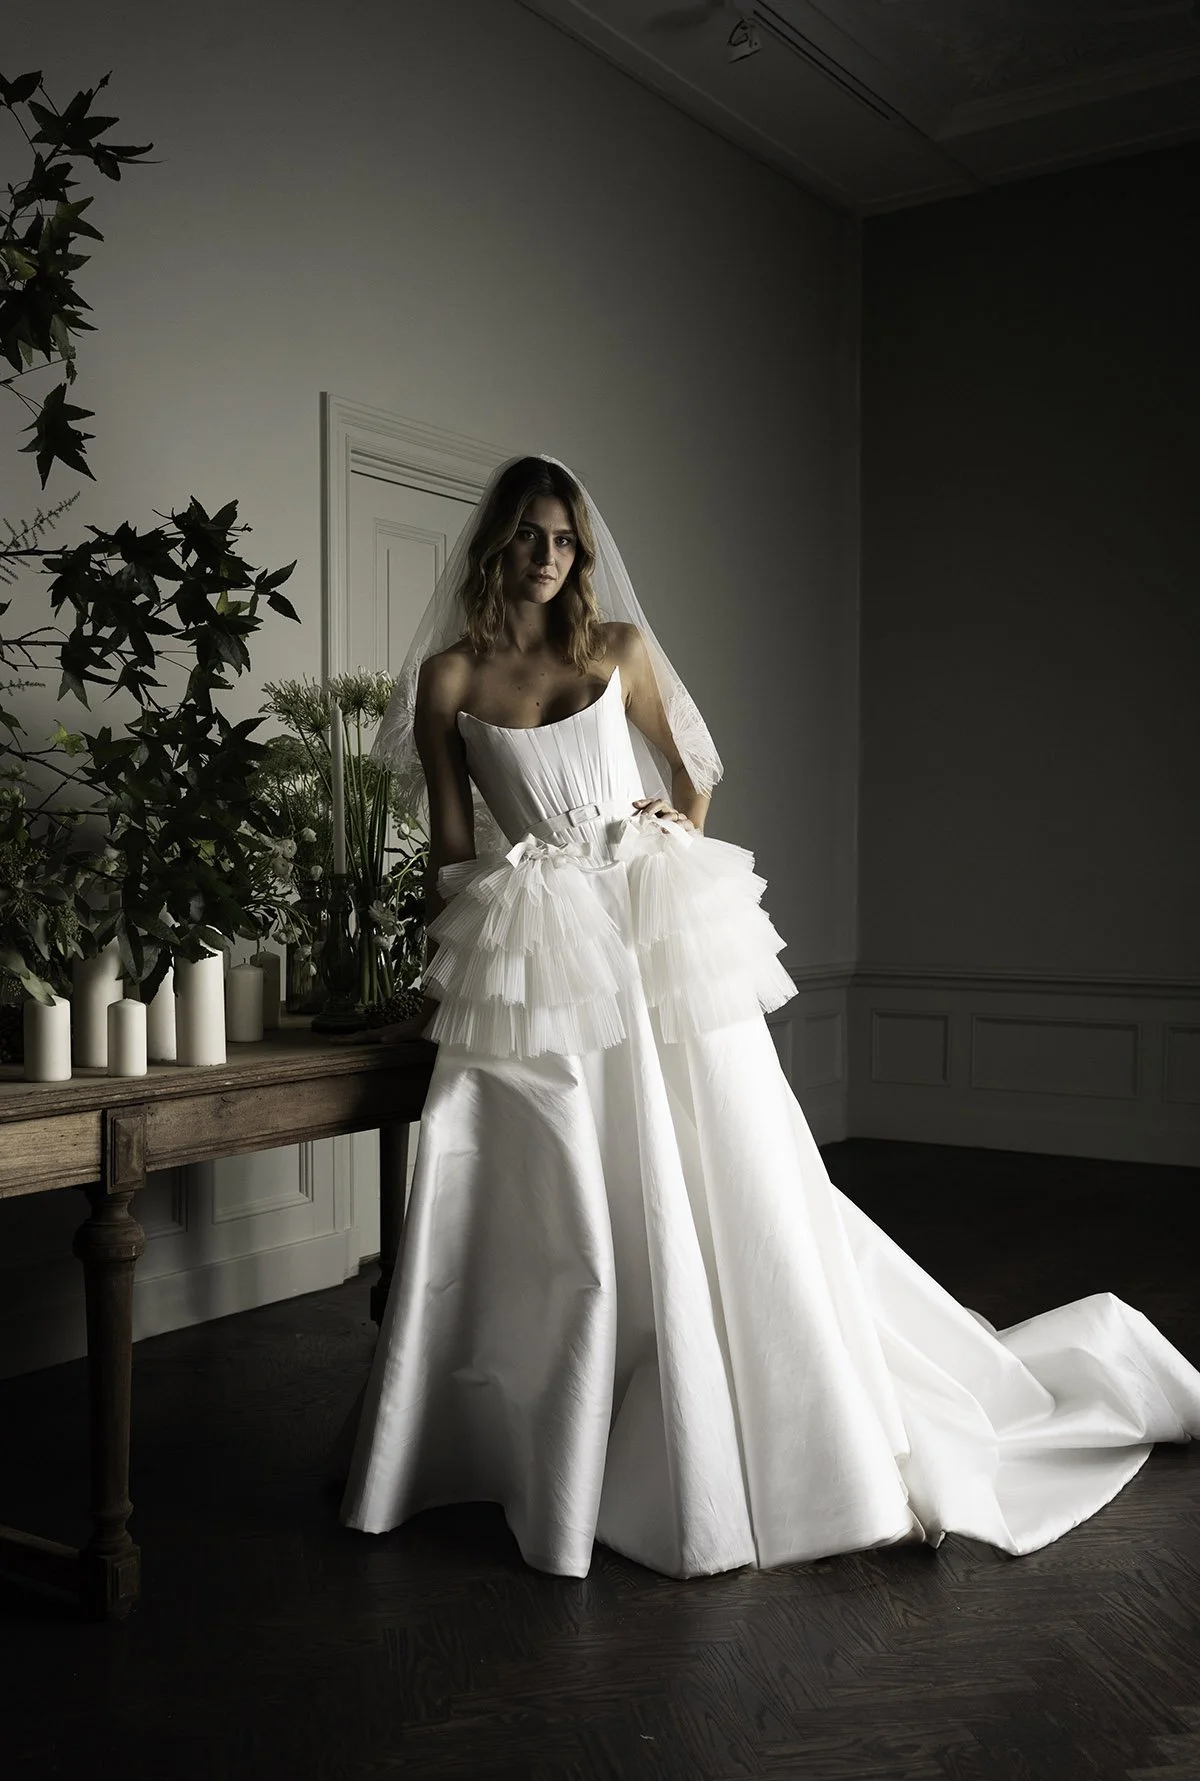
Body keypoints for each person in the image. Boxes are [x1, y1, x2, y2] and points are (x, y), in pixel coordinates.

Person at [339, 454, 1199, 1579]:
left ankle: (749, 1407)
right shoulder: (450, 679)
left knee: (720, 1160)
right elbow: (455, 846)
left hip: (644, 915)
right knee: (562, 1190)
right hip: (544, 936)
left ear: (579, 553)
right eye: (532, 537)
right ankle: (545, 1426)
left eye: (565, 540)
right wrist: (459, 962)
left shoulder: (617, 651)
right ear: (496, 543)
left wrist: (670, 825)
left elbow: (696, 764)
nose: (549, 557)